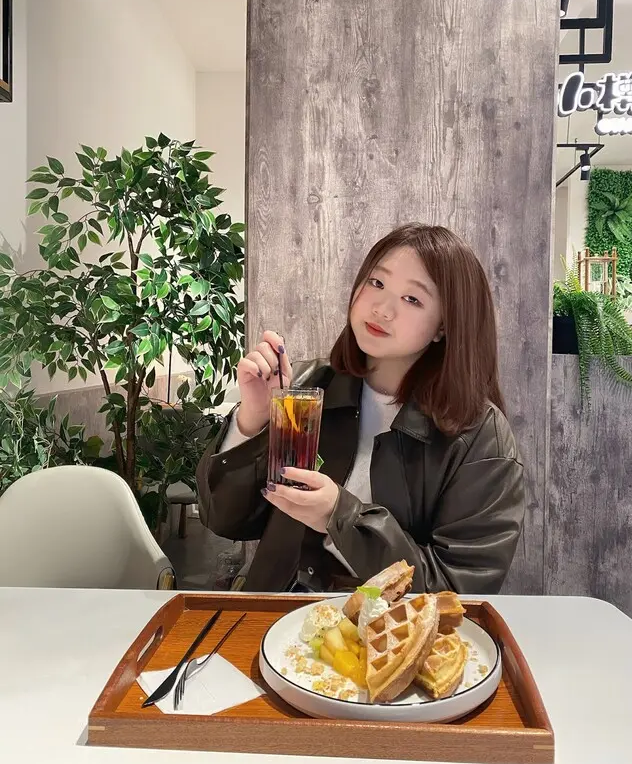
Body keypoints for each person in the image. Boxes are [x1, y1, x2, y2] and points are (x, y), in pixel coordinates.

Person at [196, 223, 525, 594]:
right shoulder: (306, 388)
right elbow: (223, 520)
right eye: (377, 283)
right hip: (279, 617)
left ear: (443, 326)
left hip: (391, 628)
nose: (382, 309)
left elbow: (457, 588)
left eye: (412, 299)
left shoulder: (480, 436)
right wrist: (252, 420)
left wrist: (340, 518)